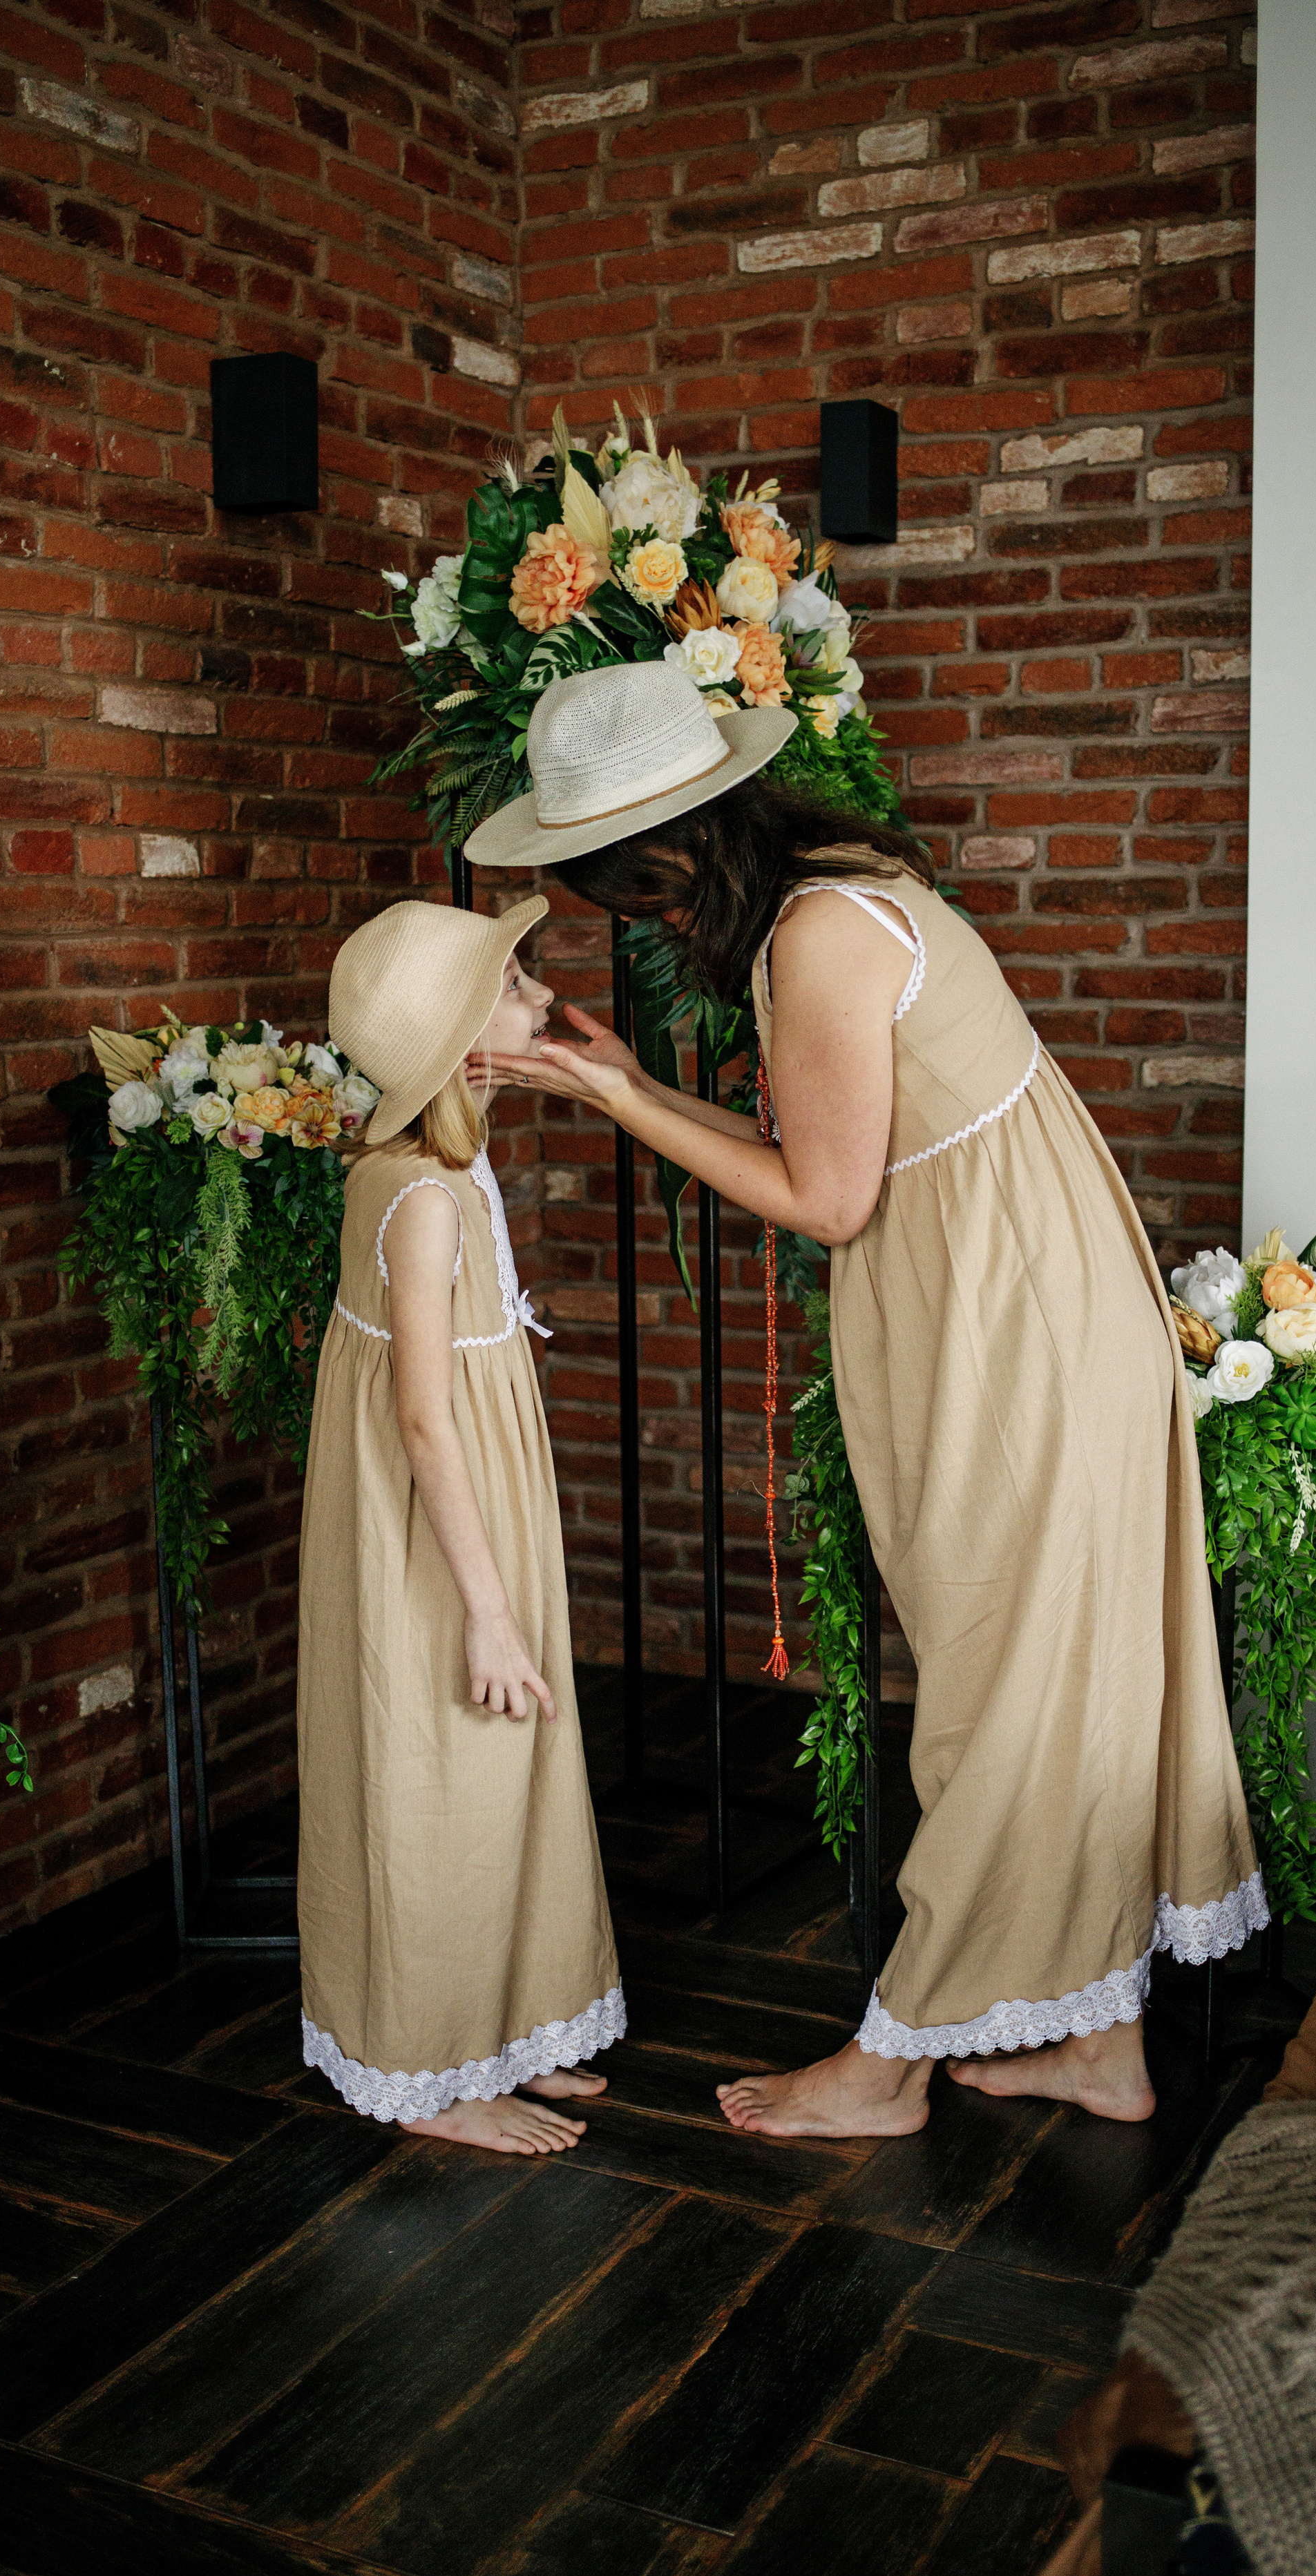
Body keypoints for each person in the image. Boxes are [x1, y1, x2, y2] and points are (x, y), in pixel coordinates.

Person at [466, 660, 1266, 2140]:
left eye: (624, 895)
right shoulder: (829, 892)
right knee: (1048, 1673)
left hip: (1010, 1333)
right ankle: (1101, 2046)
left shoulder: (823, 932)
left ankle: (891, 2069)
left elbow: (826, 1202)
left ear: (670, 852)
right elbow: (838, 1161)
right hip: (1000, 1302)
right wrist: (638, 1079)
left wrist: (615, 1100)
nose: (637, 923)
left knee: (1002, 1691)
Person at [296, 894, 622, 2156]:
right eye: (516, 986)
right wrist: (487, 1609)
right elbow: (426, 1420)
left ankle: (504, 2027)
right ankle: (432, 2070)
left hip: (470, 1509)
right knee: (442, 1769)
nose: (544, 998)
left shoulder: (423, 1168)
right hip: (439, 1535)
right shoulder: (424, 1199)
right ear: (459, 1042)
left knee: (496, 1769)